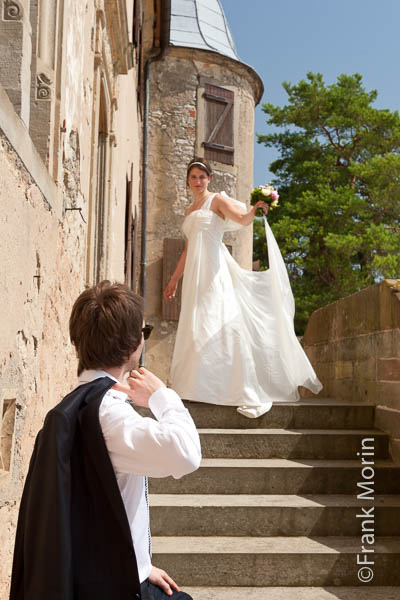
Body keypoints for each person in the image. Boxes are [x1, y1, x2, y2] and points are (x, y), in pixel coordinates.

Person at [10, 281, 201, 600]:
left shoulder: (70, 408)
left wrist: (142, 566)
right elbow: (186, 455)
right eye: (145, 332)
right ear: (134, 347)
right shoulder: (109, 415)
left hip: (102, 576)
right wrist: (161, 397)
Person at [164, 158, 322, 418]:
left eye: (202, 176)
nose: (198, 181)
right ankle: (194, 387)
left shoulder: (216, 200)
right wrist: (174, 279)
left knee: (216, 320)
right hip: (194, 273)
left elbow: (242, 218)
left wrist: (257, 208)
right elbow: (188, 248)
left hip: (214, 270)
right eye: (193, 176)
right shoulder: (188, 211)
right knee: (195, 324)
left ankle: (233, 386)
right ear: (188, 180)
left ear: (209, 179)